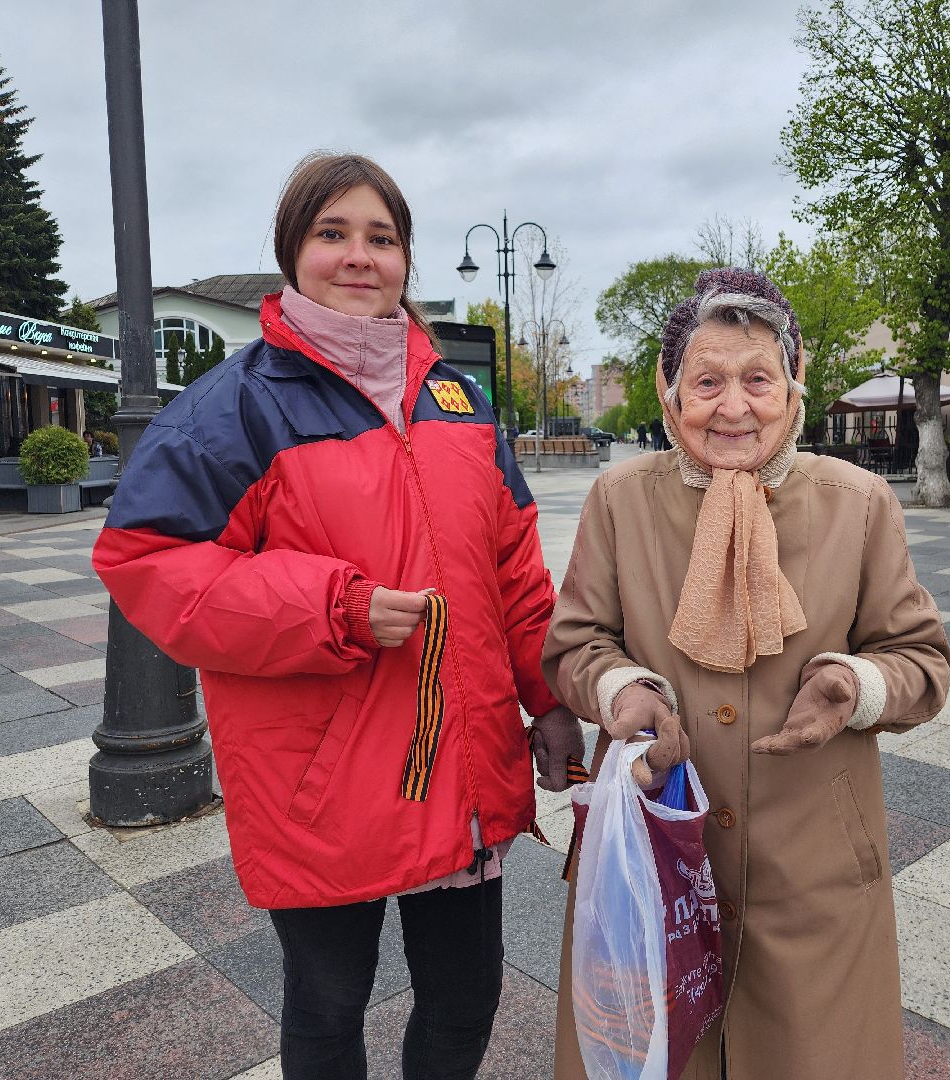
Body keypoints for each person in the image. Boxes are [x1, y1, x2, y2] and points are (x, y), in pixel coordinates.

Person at [93, 152, 583, 1080]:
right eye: (333, 234)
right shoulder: (233, 407)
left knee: (467, 998)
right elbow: (145, 561)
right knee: (326, 1007)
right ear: (292, 251)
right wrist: (331, 605)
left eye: (382, 237)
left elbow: (516, 571)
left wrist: (548, 700)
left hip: (462, 760)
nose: (359, 256)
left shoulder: (458, 400)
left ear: (405, 259)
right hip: (320, 772)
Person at [541, 268, 950, 1079]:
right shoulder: (621, 498)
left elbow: (922, 662)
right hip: (655, 852)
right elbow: (576, 642)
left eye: (758, 378)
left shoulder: (860, 503)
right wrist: (624, 688)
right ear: (669, 391)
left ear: (794, 385)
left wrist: (855, 686)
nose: (734, 407)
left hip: (816, 863)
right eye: (708, 381)